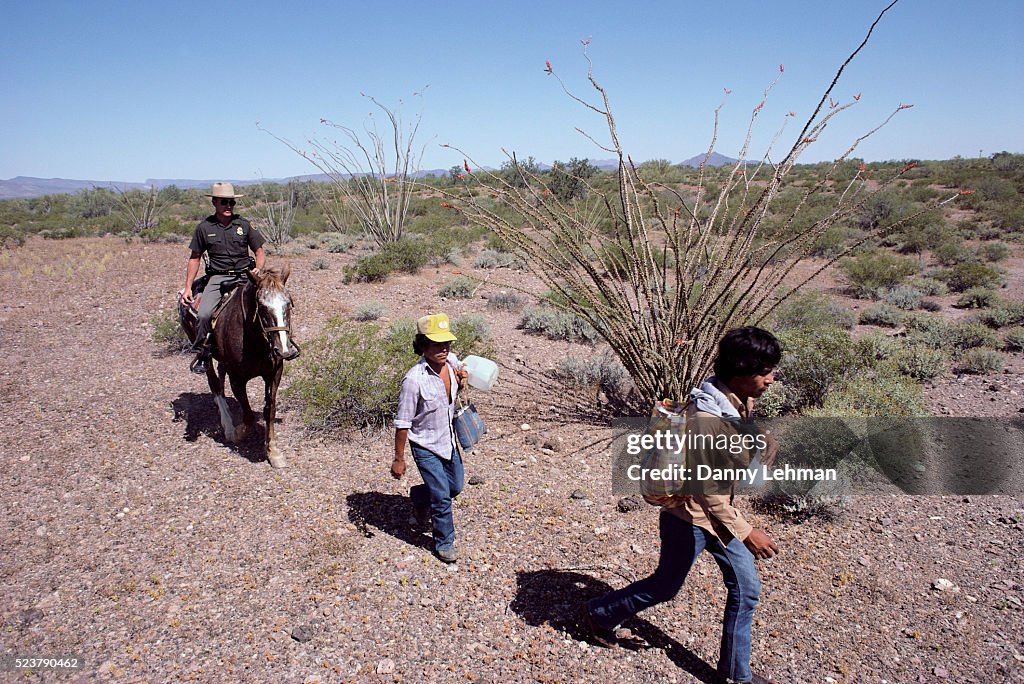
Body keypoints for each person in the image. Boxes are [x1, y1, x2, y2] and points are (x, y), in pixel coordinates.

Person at [582, 326, 782, 684]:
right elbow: (706, 489)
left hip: (716, 517)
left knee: (744, 589)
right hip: (690, 518)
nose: (771, 379)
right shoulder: (707, 418)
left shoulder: (733, 398)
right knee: (666, 586)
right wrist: (747, 531)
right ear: (740, 372)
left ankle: (736, 676)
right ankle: (600, 613)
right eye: (765, 371)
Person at [391, 313, 469, 563]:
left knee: (455, 486)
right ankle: (444, 542)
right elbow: (403, 422)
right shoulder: (414, 380)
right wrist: (399, 459)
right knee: (442, 496)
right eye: (437, 344)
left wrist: (463, 377)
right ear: (423, 345)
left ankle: (418, 496)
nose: (444, 349)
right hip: (424, 445)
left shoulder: (451, 361)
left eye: (446, 343)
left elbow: (463, 367)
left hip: (448, 440)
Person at [182, 182, 265, 374]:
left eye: (231, 202)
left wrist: (258, 270)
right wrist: (188, 287)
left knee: (271, 305)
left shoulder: (243, 225)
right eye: (223, 202)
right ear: (214, 202)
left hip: (245, 276)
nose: (228, 206)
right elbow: (194, 258)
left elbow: (259, 251)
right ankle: (203, 353)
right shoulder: (204, 227)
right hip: (218, 278)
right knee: (203, 315)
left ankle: (278, 345)